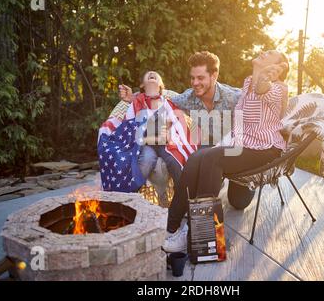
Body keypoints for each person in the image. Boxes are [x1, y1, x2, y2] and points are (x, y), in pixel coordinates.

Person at [162, 50, 289, 252]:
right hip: (242, 145)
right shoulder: (247, 84)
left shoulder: (278, 88)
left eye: (271, 53)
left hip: (265, 149)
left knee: (214, 161)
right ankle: (171, 226)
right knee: (196, 157)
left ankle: (202, 237)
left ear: (279, 66)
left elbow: (265, 89)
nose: (264, 52)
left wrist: (268, 76)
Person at [119, 51, 255, 208]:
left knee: (238, 203)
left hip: (236, 151)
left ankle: (239, 180)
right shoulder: (188, 97)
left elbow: (259, 112)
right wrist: (134, 98)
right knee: (200, 190)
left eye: (200, 78)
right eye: (192, 78)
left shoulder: (234, 98)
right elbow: (162, 102)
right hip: (208, 149)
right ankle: (209, 186)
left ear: (214, 75)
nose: (195, 83)